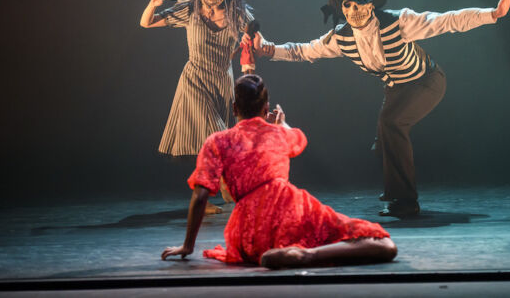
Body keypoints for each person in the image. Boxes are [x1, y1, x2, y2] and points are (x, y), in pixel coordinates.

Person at [252, 0, 510, 218]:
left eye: (361, 4)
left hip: (426, 81)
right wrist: (269, 49)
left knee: (391, 124)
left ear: (371, 5)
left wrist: (492, 14)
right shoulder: (341, 37)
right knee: (384, 142)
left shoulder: (398, 22)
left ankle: (405, 202)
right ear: (343, 7)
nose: (355, 11)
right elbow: (305, 51)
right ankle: (394, 190)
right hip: (395, 89)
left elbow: (444, 21)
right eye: (349, 5)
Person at [161, 74, 396, 269]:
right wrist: (281, 123)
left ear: (234, 108)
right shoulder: (279, 133)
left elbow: (200, 195)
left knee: (262, 243)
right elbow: (299, 139)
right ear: (265, 108)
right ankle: (309, 255)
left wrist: (188, 246)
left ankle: (292, 254)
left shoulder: (217, 141)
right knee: (383, 245)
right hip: (288, 210)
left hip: (247, 233)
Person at [140, 0, 251, 212]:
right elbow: (145, 23)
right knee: (214, 134)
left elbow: (257, 41)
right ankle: (222, 184)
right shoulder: (189, 11)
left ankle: (203, 194)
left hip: (223, 81)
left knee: (208, 141)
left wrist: (250, 44)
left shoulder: (238, 14)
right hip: (195, 80)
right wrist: (153, 4)